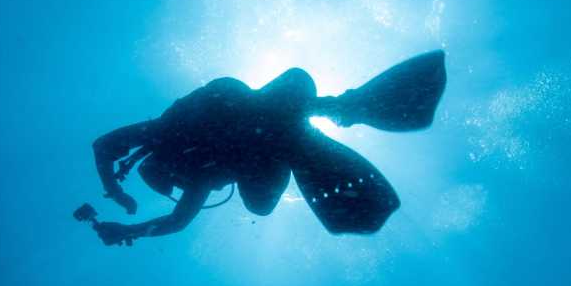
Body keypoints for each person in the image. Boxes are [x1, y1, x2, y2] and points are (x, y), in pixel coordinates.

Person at [82, 50, 446, 247]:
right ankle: (332, 113)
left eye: (170, 181)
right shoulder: (192, 166)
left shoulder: (167, 134)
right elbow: (105, 149)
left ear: (163, 164)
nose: (178, 183)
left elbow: (104, 146)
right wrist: (124, 220)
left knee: (262, 188)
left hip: (267, 110)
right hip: (275, 122)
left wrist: (120, 201)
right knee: (260, 202)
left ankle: (329, 114)